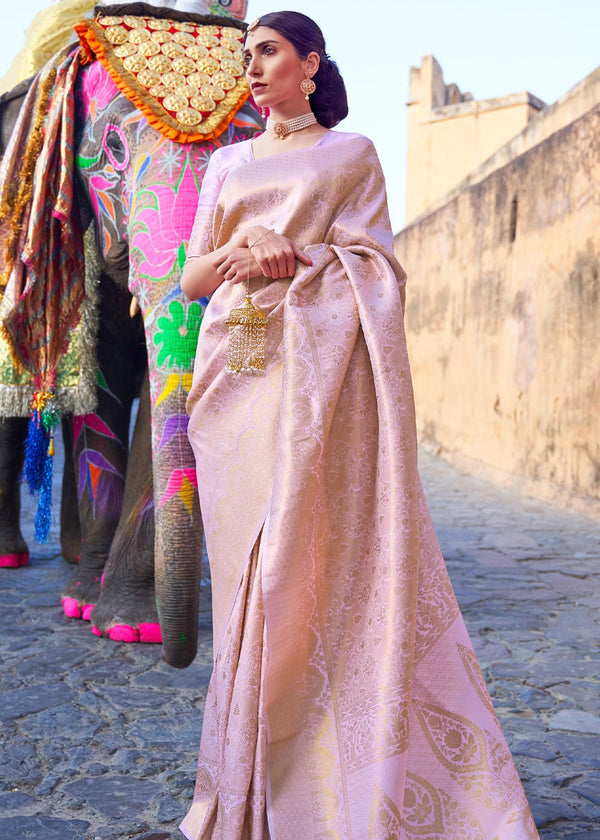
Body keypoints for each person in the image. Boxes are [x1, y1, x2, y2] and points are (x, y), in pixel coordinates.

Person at [180, 11, 540, 840]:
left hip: (322, 388)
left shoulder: (353, 155)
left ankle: (335, 785)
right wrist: (242, 253)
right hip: (239, 380)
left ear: (310, 65)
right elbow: (192, 276)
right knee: (248, 584)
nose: (254, 66)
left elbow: (377, 269)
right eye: (248, 54)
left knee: (307, 570)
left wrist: (298, 254)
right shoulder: (228, 163)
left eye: (268, 51)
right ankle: (248, 789)